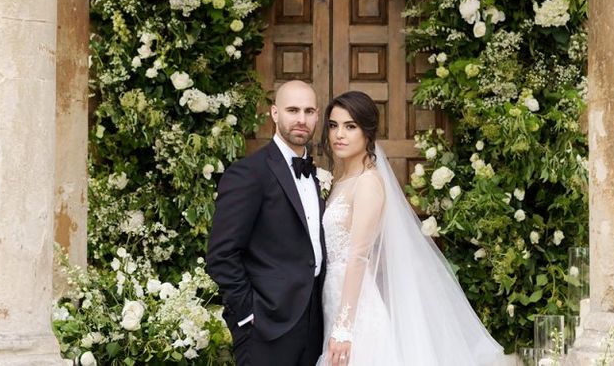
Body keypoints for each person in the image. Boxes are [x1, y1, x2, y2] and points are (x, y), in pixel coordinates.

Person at [316, 90, 505, 366]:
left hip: (357, 314)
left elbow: (357, 256)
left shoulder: (368, 182)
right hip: (334, 299)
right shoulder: (343, 179)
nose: (338, 135)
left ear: (367, 132)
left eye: (350, 126)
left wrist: (344, 327)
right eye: (333, 126)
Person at [207, 79, 325, 366]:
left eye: (309, 111)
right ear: (274, 113)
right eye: (292, 110)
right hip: (266, 326)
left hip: (316, 322)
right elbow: (221, 254)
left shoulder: (317, 174)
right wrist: (248, 314)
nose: (301, 119)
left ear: (317, 116)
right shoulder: (248, 173)